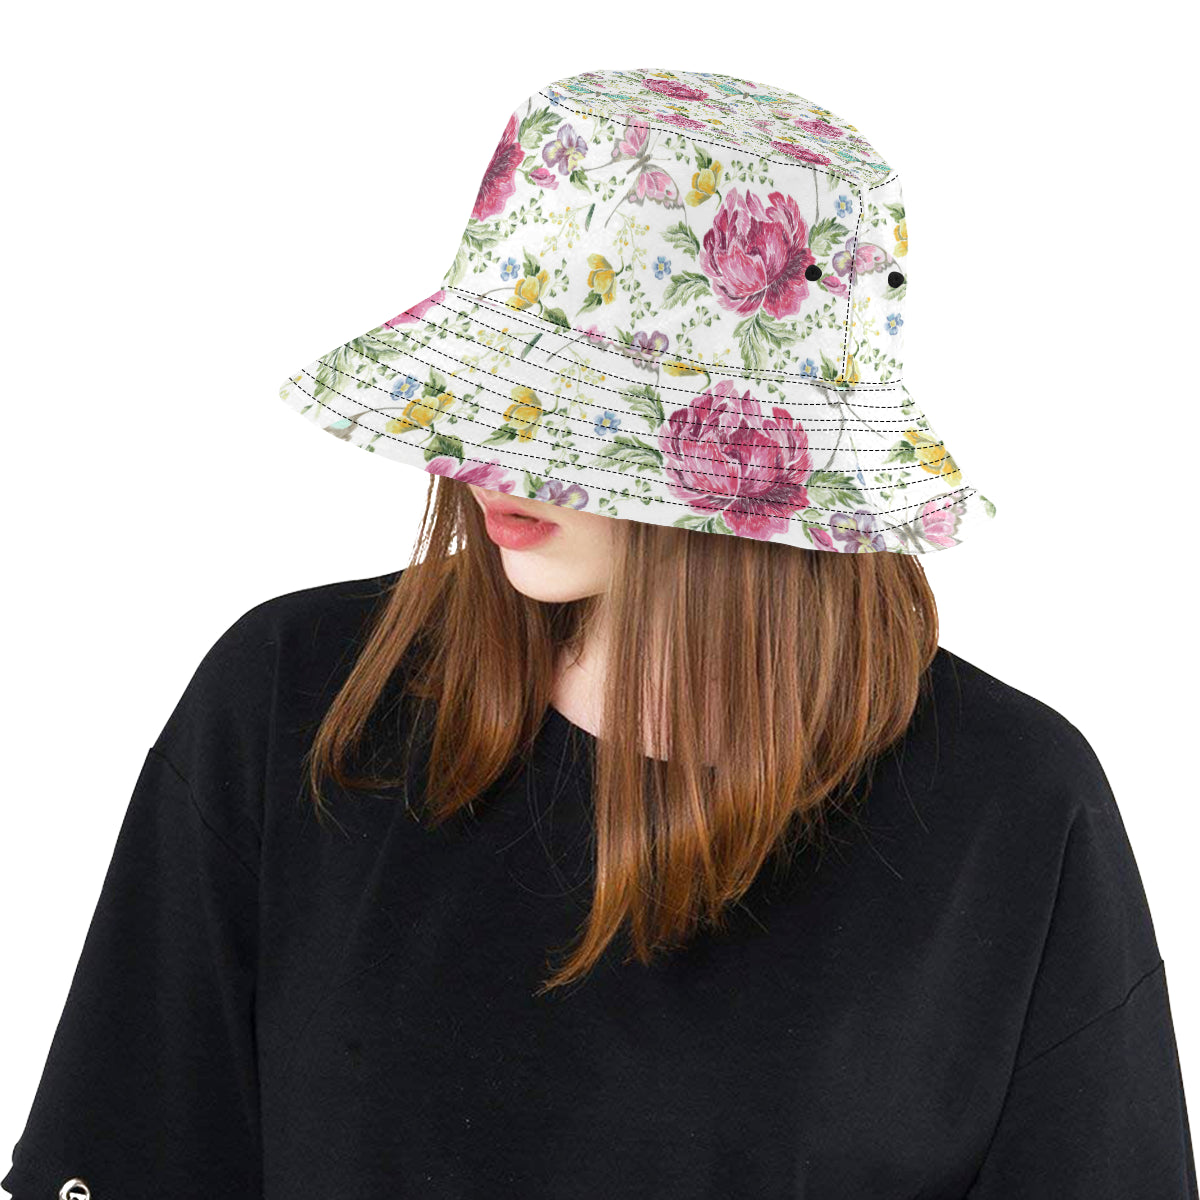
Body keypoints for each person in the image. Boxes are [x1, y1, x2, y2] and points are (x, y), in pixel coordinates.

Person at [5, 67, 1196, 1200]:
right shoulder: (302, 700)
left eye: (568, 419)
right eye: (492, 389)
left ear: (752, 455)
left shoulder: (1009, 809)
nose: (486, 457)